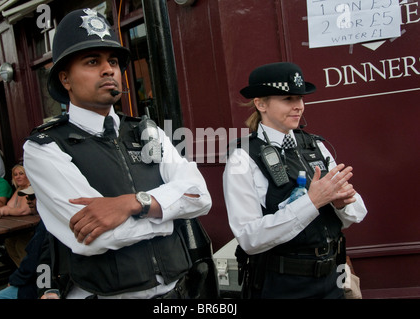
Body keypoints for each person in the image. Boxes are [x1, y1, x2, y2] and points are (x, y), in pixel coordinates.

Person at [23, 8, 212, 299]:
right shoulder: (45, 147)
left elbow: (200, 196)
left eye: (112, 61)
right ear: (65, 79)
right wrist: (170, 217)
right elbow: (96, 238)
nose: (108, 69)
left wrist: (133, 203)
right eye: (92, 61)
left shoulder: (146, 131)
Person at [222, 62, 368, 299]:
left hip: (333, 279)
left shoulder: (315, 145)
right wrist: (310, 202)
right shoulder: (242, 158)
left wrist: (342, 203)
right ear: (261, 104)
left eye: (300, 98)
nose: (298, 106)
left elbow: (356, 214)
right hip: (285, 286)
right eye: (288, 99)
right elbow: (249, 238)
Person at [0, 185, 47, 299]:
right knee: (10, 242)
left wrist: (16, 280)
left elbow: (33, 261)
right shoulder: (47, 221)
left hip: (46, 282)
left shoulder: (46, 226)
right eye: (27, 198)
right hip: (45, 278)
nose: (28, 201)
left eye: (32, 197)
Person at [0, 164, 35, 267]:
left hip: (34, 227)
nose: (18, 177)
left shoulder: (30, 188)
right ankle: (22, 271)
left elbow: (23, 211)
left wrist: (5, 211)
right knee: (9, 242)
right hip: (22, 227)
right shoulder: (19, 189)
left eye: (21, 174)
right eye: (15, 174)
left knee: (21, 245)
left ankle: (28, 273)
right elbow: (8, 206)